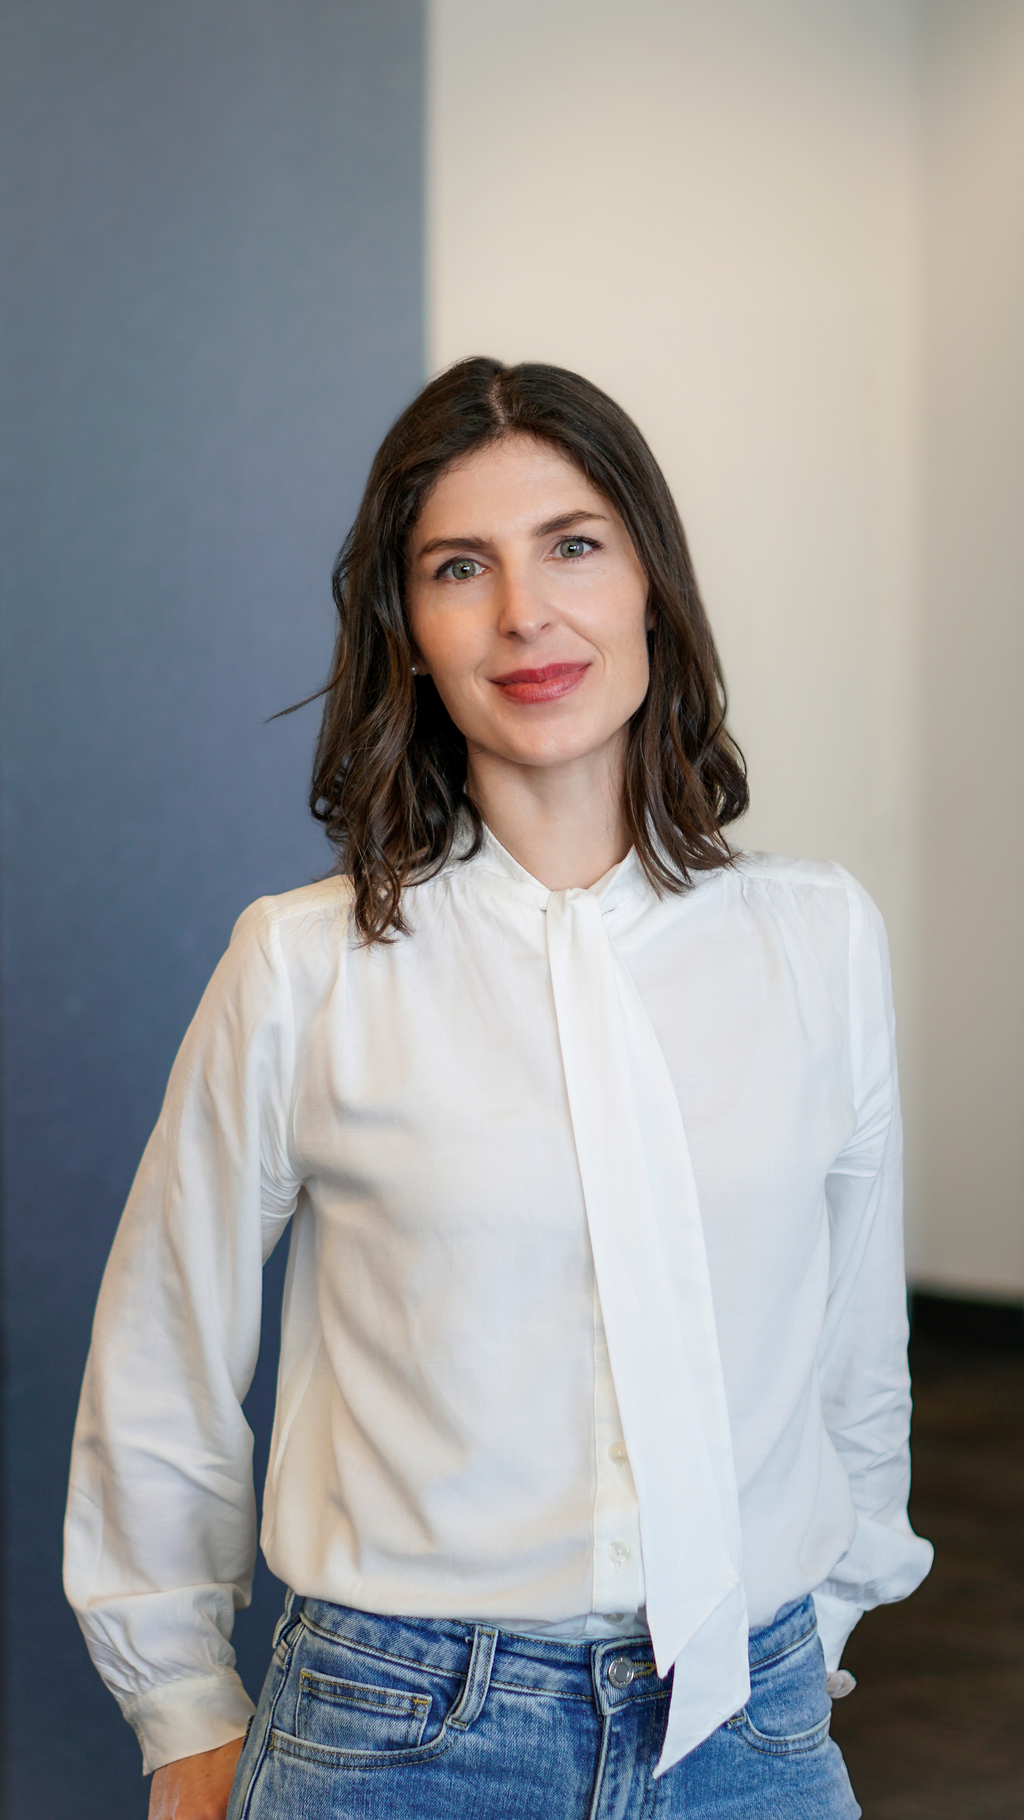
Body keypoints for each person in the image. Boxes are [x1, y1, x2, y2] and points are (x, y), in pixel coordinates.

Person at [65, 357, 932, 1820]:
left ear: (651, 582)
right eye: (461, 566)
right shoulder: (302, 965)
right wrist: (182, 1706)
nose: (527, 613)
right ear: (408, 630)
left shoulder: (820, 938)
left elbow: (852, 1348)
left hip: (751, 1726)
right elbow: (163, 1355)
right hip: (396, 1741)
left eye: (574, 545)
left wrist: (810, 1630)